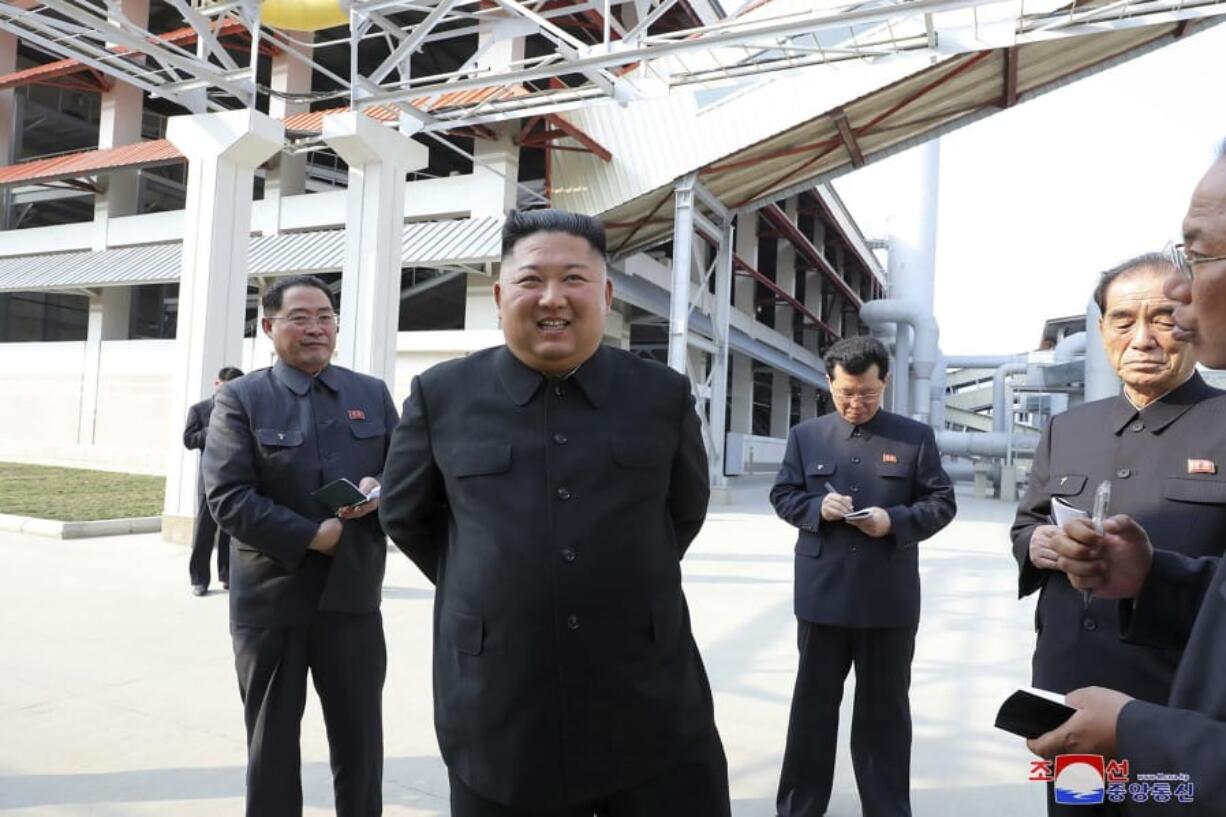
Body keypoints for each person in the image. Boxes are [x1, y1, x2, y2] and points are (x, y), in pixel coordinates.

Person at [378, 209, 731, 817]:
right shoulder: (442, 395)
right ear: (498, 295)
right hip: (499, 701)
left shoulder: (661, 396)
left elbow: (682, 511)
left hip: (647, 693)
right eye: (531, 280)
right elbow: (407, 515)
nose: (552, 299)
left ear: (606, 294)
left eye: (574, 279)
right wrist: (492, 580)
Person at [1030, 146, 1226, 814]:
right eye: (1123, 319)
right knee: (1077, 805)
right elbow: (1028, 519)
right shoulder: (1069, 427)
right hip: (1071, 693)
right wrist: (1039, 545)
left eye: (1163, 316)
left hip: (1173, 713)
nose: (1145, 334)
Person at [202, 274, 398, 817]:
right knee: (272, 746)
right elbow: (227, 496)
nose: (316, 328)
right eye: (300, 317)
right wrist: (312, 535)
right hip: (272, 602)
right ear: (269, 327)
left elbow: (405, 470)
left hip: (353, 599)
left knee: (360, 744)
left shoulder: (370, 393)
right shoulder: (242, 399)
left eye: (326, 316)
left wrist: (381, 488)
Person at [771, 335, 956, 817]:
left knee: (884, 717)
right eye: (845, 393)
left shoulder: (914, 438)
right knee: (811, 712)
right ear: (829, 383)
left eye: (868, 394)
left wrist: (893, 522)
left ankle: (888, 809)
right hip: (821, 597)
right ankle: (798, 808)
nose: (856, 403)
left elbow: (942, 503)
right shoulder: (806, 436)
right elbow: (783, 494)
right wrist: (817, 507)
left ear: (884, 383)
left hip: (886, 601)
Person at [183, 365, 244, 596]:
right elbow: (189, 440)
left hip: (237, 480)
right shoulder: (200, 409)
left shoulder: (244, 409)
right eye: (225, 387)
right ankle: (199, 579)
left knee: (231, 532)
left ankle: (227, 575)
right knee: (204, 533)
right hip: (210, 481)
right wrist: (214, 428)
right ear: (216, 384)